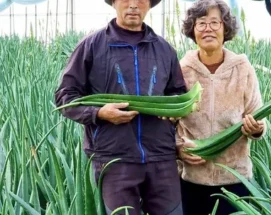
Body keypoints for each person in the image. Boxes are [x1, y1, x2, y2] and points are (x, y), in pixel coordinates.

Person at [54, 0, 186, 214]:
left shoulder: (164, 49)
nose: (133, 5)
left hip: (161, 157)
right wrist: (99, 113)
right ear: (114, 3)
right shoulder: (92, 45)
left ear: (150, 5)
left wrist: (172, 110)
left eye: (141, 0)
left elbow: (177, 91)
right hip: (114, 157)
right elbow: (65, 96)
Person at [176, 0, 267, 214]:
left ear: (225, 28)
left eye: (215, 22)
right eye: (201, 23)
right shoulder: (181, 70)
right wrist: (178, 149)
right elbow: (168, 121)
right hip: (192, 179)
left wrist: (257, 128)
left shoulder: (242, 68)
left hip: (235, 178)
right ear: (193, 30)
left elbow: (258, 115)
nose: (208, 29)